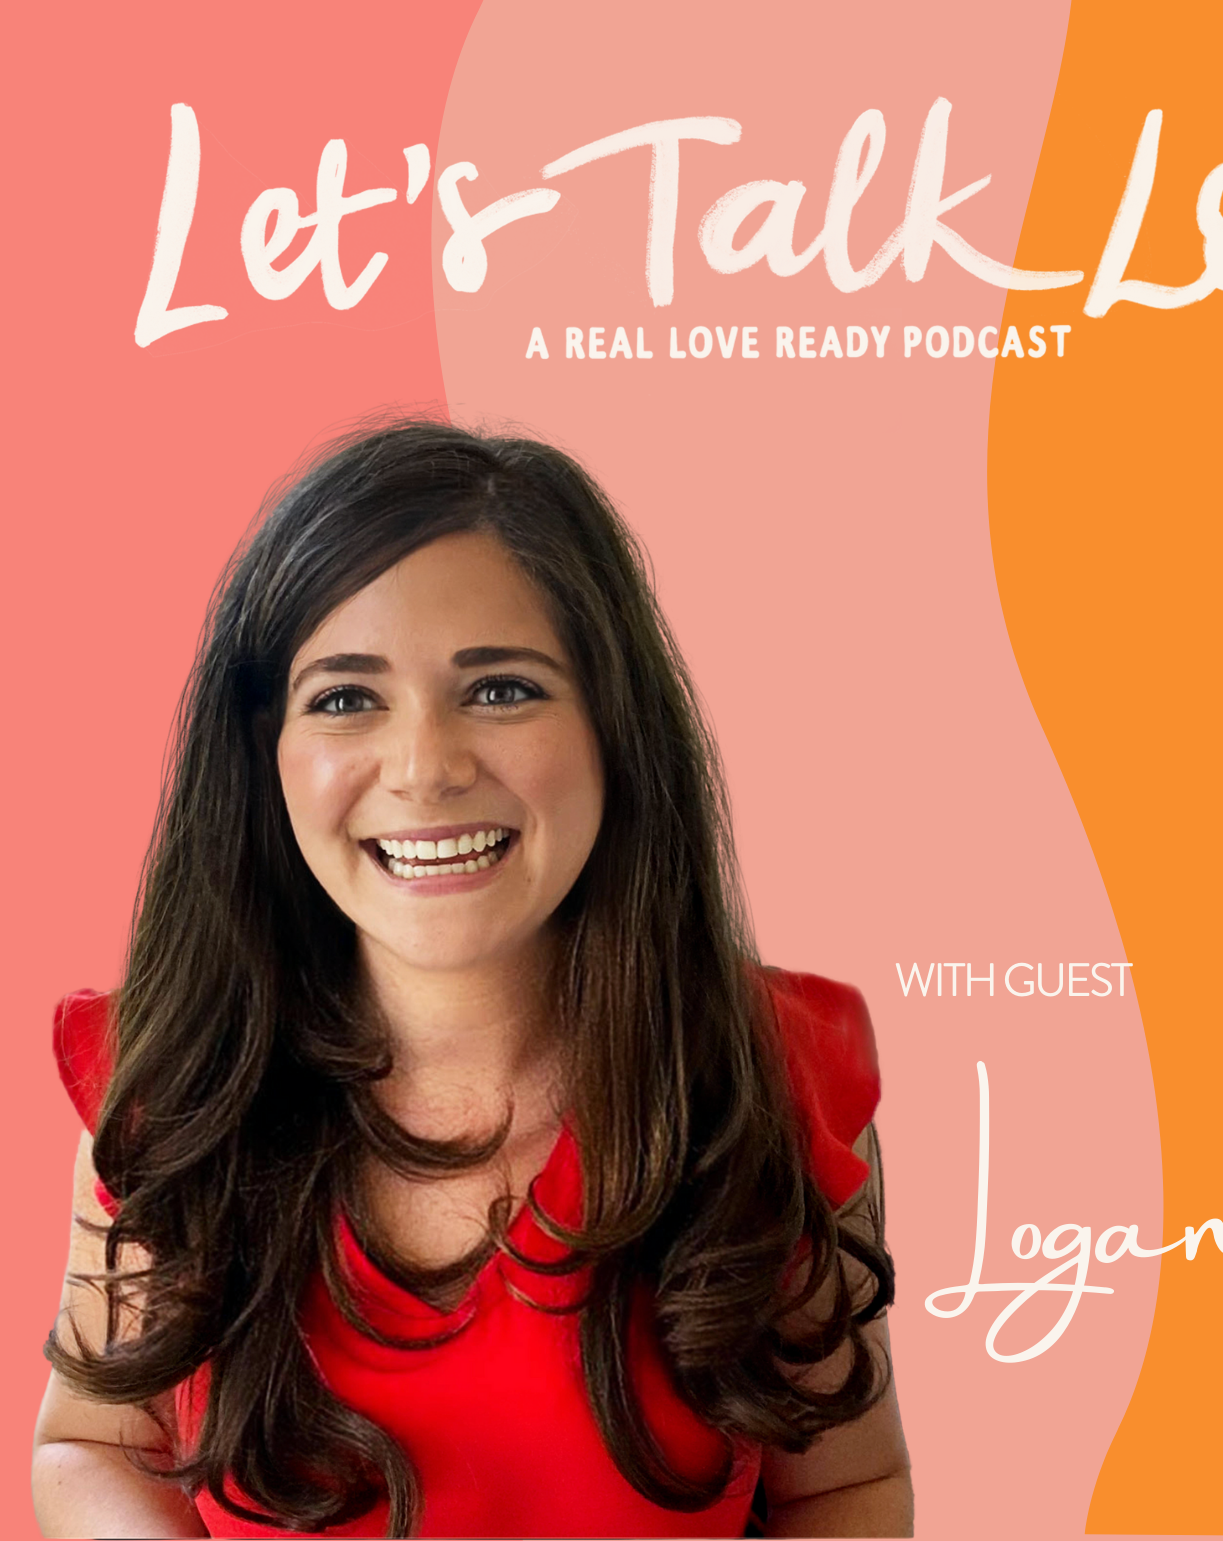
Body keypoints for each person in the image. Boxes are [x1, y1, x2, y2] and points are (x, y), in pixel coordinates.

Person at [32, 421, 911, 1539]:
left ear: (614, 727)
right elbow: (94, 1446)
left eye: (500, 689)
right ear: (264, 753)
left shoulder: (778, 1079)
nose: (426, 768)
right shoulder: (173, 1089)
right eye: (345, 698)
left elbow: (845, 1486)